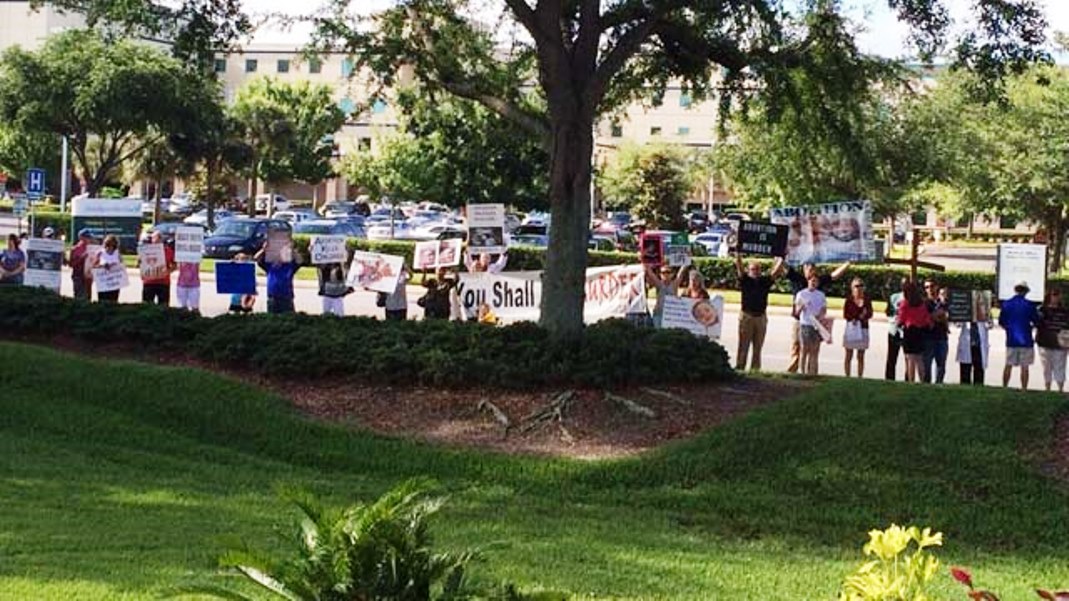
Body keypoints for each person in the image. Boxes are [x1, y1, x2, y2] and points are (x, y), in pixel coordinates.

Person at [785, 259, 851, 373]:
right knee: (796, 348)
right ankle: (794, 372)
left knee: (814, 349)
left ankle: (812, 373)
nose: (810, 271)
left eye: (812, 268)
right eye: (808, 268)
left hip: (815, 322)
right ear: (804, 269)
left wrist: (848, 263)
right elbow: (784, 268)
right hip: (799, 321)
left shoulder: (820, 281)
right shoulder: (797, 278)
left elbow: (834, 275)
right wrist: (778, 253)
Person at [734, 252, 785, 371]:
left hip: (761, 317)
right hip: (747, 316)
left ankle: (755, 370)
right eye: (752, 269)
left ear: (760, 270)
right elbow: (739, 267)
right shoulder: (745, 280)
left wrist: (782, 257)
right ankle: (740, 368)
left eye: (757, 269)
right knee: (743, 346)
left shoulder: (764, 281)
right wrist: (738, 254)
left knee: (758, 347)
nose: (755, 271)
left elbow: (776, 272)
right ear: (749, 270)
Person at [998, 281, 1040, 390]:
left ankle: (1004, 386)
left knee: (1008, 364)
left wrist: (1009, 328)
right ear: (1026, 291)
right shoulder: (1030, 305)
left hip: (1011, 339)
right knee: (1024, 367)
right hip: (1026, 340)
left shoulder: (1006, 304)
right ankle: (1024, 389)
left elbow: (1001, 322)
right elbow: (1037, 321)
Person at [896, 280, 932, 383]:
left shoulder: (905, 303)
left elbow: (901, 319)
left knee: (910, 358)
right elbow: (926, 319)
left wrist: (898, 322)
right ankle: (922, 380)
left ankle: (911, 381)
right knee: (919, 358)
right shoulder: (921, 303)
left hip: (909, 331)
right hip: (920, 331)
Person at [254, 242, 303, 314]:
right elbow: (256, 258)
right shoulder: (269, 264)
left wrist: (292, 250)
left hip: (286, 298)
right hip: (272, 297)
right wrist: (264, 249)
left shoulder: (290, 265)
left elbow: (300, 260)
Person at [794, 274, 828, 376]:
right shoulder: (801, 294)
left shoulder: (821, 295)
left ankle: (812, 372)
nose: (813, 283)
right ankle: (802, 371)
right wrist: (802, 306)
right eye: (812, 281)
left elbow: (824, 309)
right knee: (804, 349)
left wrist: (820, 315)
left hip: (816, 324)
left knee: (815, 350)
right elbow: (796, 312)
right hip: (805, 324)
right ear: (808, 281)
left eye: (815, 281)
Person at [1036, 289, 1069, 392]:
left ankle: (1060, 389)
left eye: (1058, 295)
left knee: (1060, 366)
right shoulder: (1041, 310)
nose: (1056, 297)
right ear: (1049, 296)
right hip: (1044, 342)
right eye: (1054, 295)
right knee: (1046, 367)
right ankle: (1047, 388)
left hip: (1060, 343)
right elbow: (1037, 324)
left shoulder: (1065, 311)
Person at [842, 277, 874, 377]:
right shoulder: (849, 300)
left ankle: (860, 376)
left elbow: (870, 313)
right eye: (856, 286)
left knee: (861, 355)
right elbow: (845, 314)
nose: (859, 288)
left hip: (863, 329)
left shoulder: (867, 299)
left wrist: (864, 315)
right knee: (848, 354)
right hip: (851, 329)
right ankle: (847, 376)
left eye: (861, 286)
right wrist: (855, 317)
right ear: (852, 288)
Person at [957, 296, 991, 386]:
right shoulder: (965, 313)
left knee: (979, 371)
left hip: (979, 345)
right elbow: (958, 324)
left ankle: (979, 388)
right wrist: (965, 314)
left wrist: (986, 316)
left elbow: (990, 325)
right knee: (965, 371)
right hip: (967, 344)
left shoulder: (984, 313)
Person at [921, 280, 950, 384]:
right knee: (926, 365)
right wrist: (936, 316)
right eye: (926, 287)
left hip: (942, 337)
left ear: (937, 287)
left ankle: (938, 384)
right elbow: (927, 317)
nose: (929, 289)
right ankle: (926, 385)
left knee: (941, 364)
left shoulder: (943, 302)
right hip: (928, 337)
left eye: (931, 286)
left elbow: (946, 316)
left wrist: (937, 316)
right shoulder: (924, 303)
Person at [138, 230, 176, 306]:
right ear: (152, 240)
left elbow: (174, 265)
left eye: (159, 239)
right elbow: (140, 263)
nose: (156, 241)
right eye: (154, 239)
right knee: (146, 306)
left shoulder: (168, 251)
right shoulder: (146, 250)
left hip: (163, 282)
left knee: (163, 306)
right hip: (149, 282)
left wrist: (168, 271)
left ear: (161, 240)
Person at [885, 278, 908, 380]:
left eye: (907, 284)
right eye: (903, 284)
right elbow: (888, 311)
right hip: (894, 330)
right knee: (891, 357)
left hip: (907, 331)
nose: (905, 286)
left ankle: (908, 379)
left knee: (908, 358)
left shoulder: (913, 298)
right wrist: (894, 319)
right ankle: (889, 379)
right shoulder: (894, 297)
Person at [92, 234, 123, 303]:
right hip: (103, 283)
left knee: (113, 301)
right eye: (108, 244)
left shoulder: (117, 254)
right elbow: (94, 266)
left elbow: (122, 267)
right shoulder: (100, 253)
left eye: (113, 244)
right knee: (102, 301)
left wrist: (114, 265)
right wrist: (102, 266)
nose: (110, 246)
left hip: (114, 283)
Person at [68, 229, 95, 300]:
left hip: (88, 277)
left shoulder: (92, 249)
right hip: (78, 277)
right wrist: (81, 258)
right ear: (81, 238)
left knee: (88, 297)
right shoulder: (75, 249)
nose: (89, 239)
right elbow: (71, 264)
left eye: (90, 237)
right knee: (79, 297)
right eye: (87, 237)